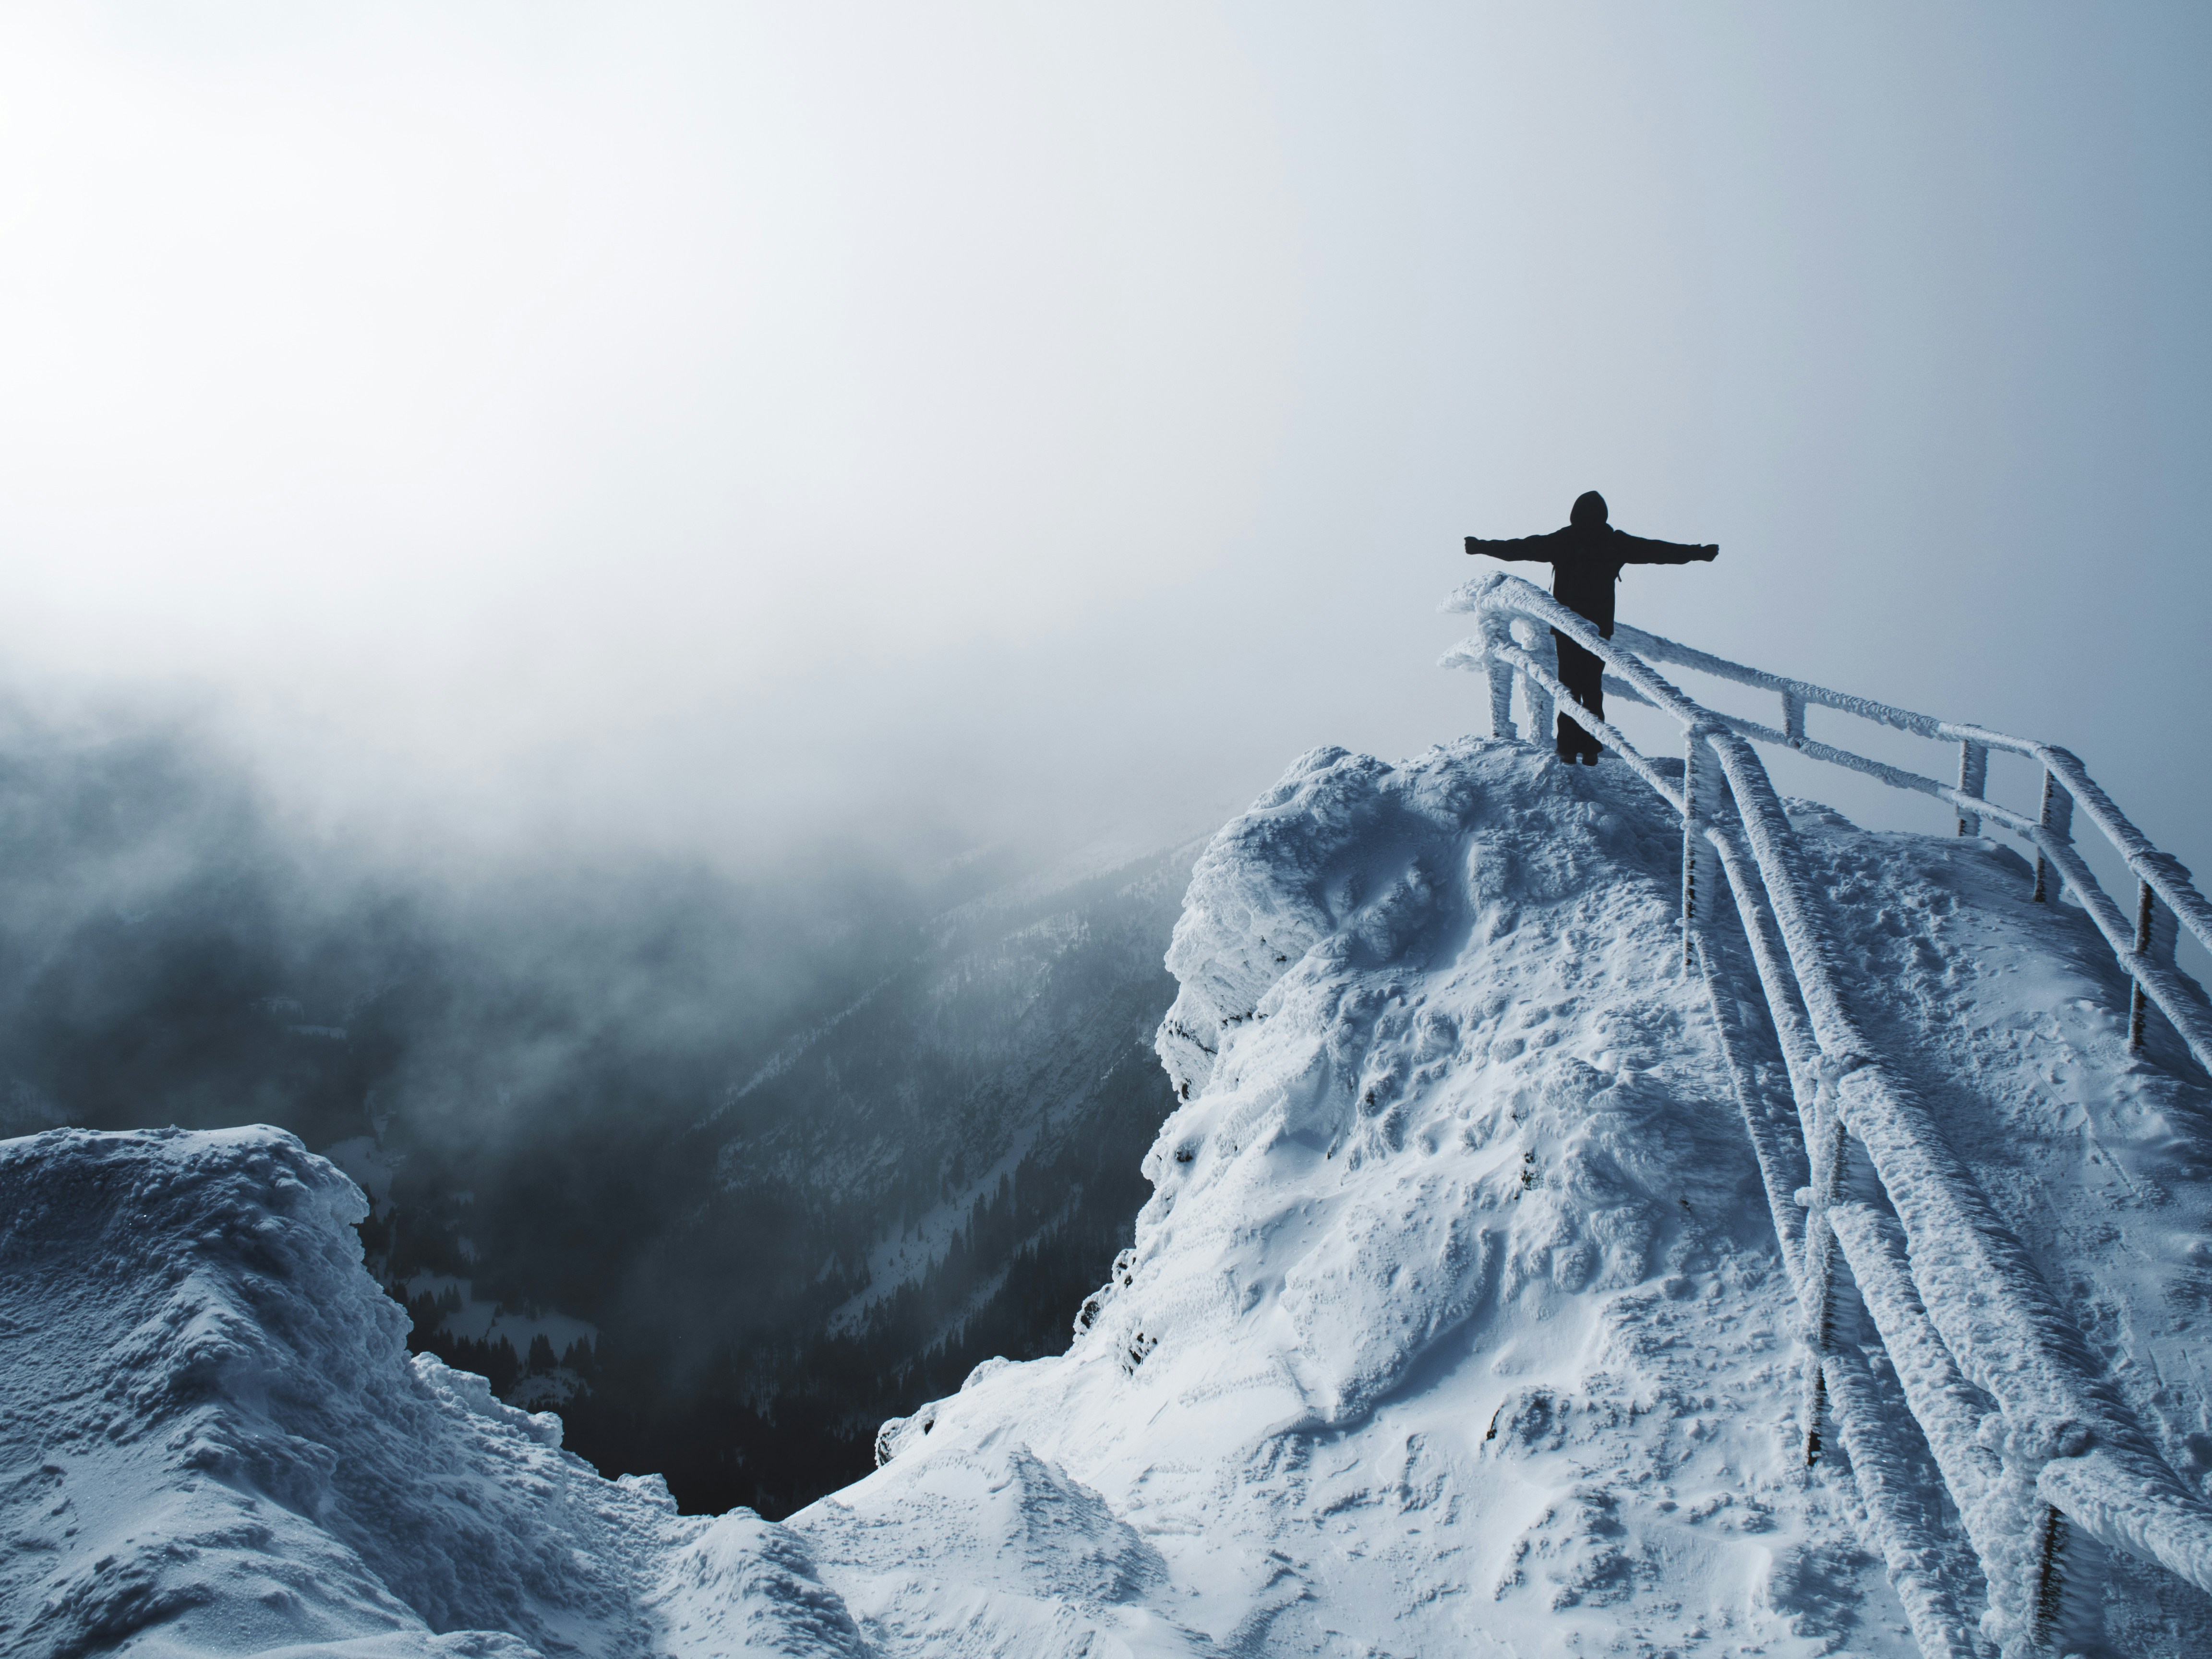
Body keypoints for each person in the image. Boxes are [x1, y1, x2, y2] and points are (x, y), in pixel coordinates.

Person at [1464, 491, 1717, 763]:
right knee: (1592, 687)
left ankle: (1568, 748)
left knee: (1570, 685)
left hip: (1568, 624)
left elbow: (1521, 548)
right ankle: (1591, 747)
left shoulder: (1565, 540)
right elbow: (1660, 551)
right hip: (1598, 626)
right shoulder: (1615, 542)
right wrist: (1697, 553)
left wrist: (1482, 546)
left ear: (1575, 515)